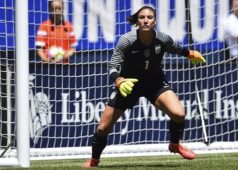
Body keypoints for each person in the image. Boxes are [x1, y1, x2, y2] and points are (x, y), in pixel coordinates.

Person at [84, 5, 206, 167]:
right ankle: (94, 161)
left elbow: (176, 48)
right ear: (137, 21)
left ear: (155, 21)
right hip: (128, 84)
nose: (146, 20)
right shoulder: (127, 40)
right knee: (102, 128)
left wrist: (190, 53)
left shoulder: (162, 39)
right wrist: (119, 81)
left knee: (179, 114)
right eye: (142, 17)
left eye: (149, 17)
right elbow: (112, 66)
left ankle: (175, 144)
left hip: (154, 83)